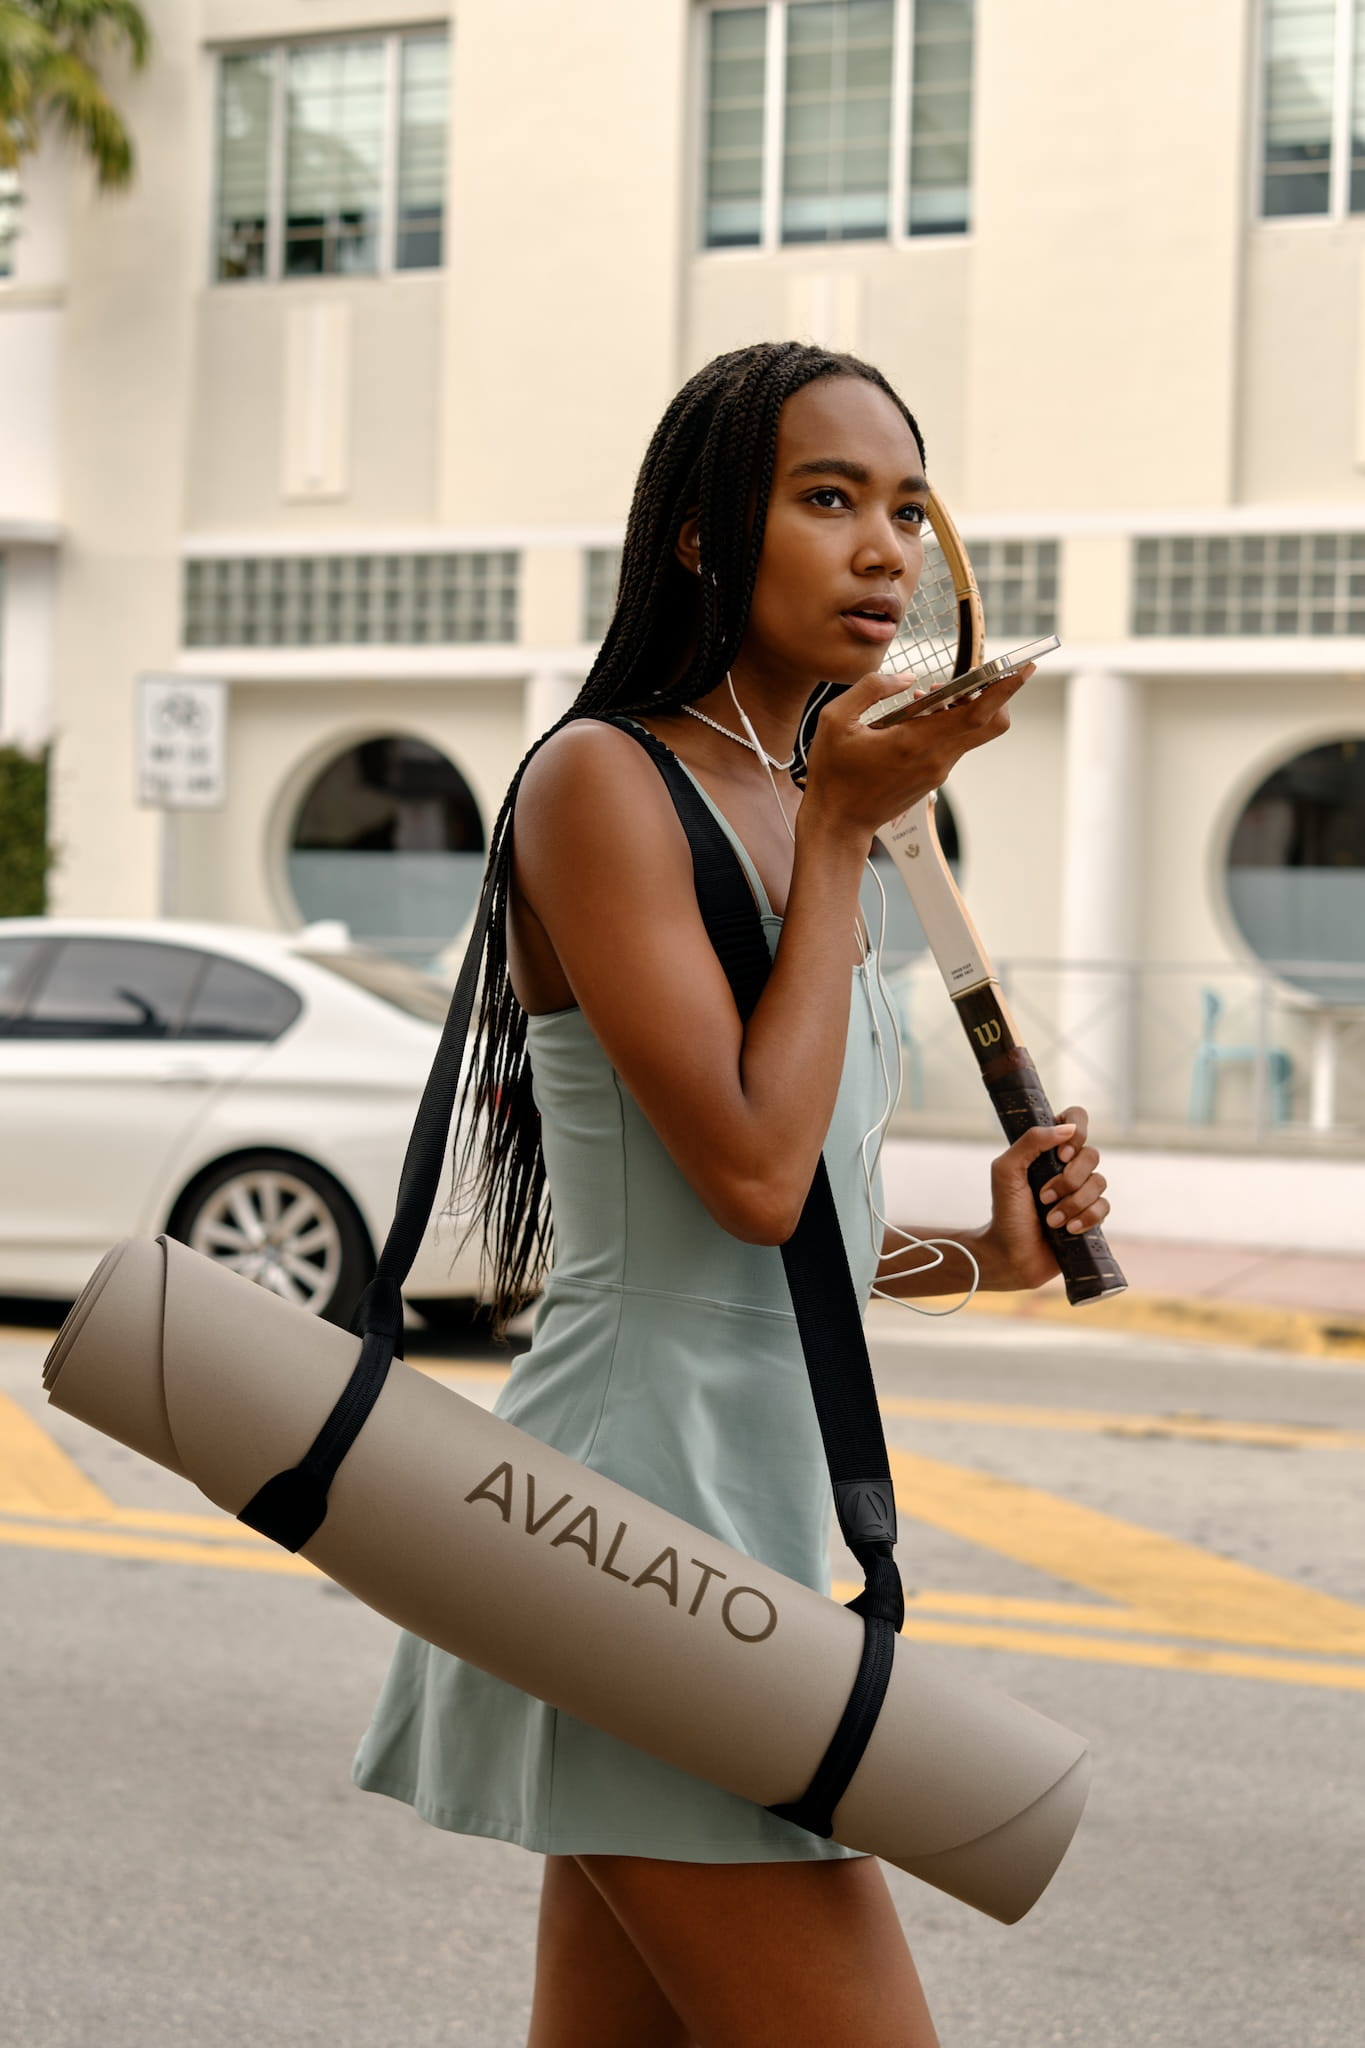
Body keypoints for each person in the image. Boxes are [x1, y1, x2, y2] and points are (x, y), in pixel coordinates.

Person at [353, 342, 1109, 2048]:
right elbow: (752, 1180)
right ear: (703, 536)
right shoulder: (605, 783)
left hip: (745, 1526)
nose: (881, 550)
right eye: (825, 498)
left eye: (906, 507)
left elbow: (793, 1227)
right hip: (631, 1529)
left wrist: (982, 1256)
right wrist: (842, 828)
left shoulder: (805, 794)